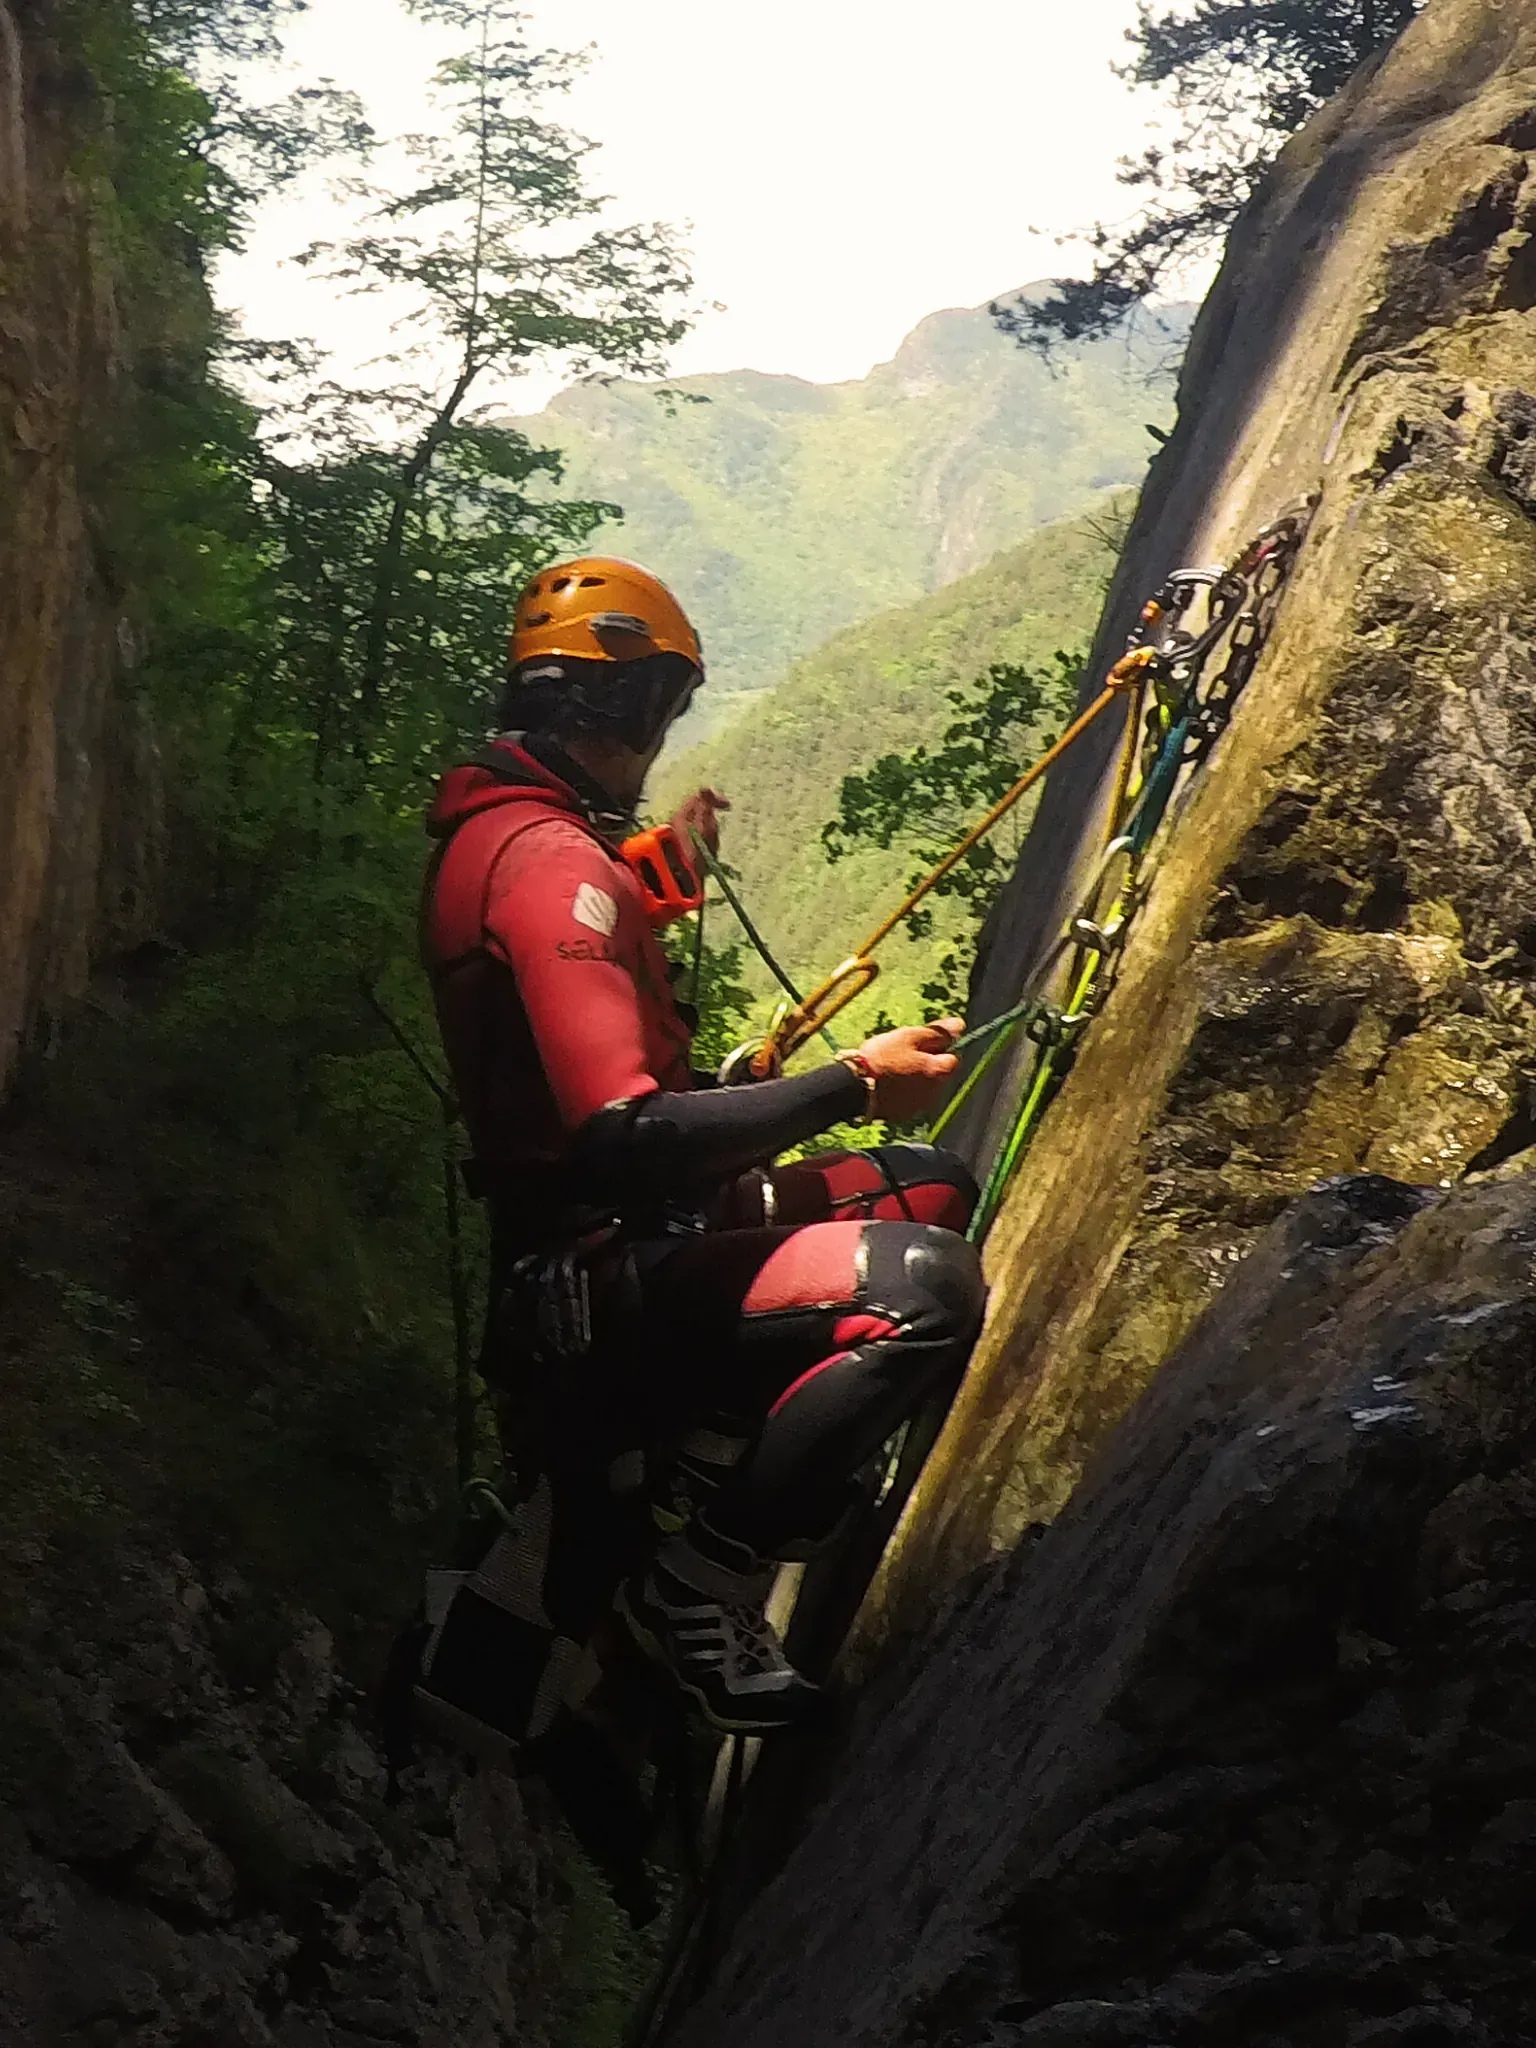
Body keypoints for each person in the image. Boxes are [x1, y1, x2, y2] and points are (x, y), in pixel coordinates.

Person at [421, 556, 987, 1733]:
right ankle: (702, 1581)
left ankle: (718, 1459)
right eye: (663, 704)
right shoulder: (549, 861)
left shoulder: (501, 829)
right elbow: (629, 1137)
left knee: (927, 1188)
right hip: (615, 1263)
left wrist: (648, 880)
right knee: (919, 1288)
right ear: (626, 704)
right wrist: (852, 1077)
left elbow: (557, 961)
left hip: (606, 1245)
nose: (664, 731)